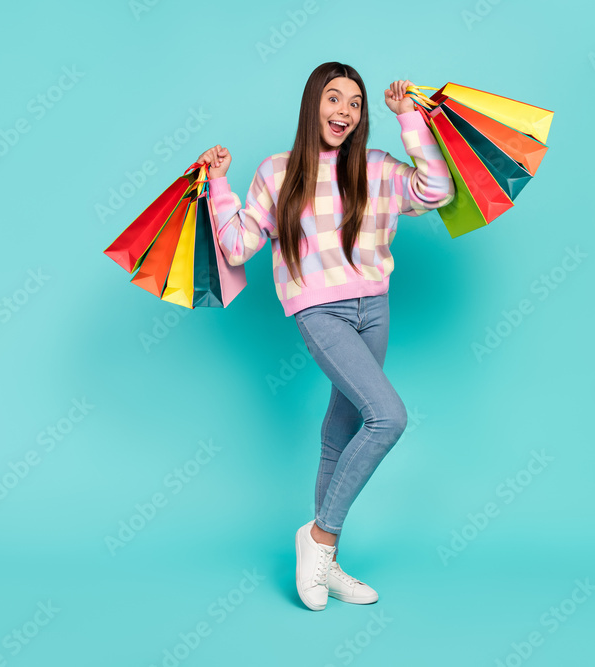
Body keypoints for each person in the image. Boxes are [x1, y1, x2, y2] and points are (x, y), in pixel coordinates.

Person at [196, 61, 454, 611]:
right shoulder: (277, 171)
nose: (343, 111)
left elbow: (436, 190)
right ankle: (319, 539)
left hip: (375, 308)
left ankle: (327, 566)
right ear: (313, 102)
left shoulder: (378, 168)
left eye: (354, 103)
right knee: (388, 417)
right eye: (333, 98)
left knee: (341, 428)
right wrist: (218, 184)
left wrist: (409, 118)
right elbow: (238, 246)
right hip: (319, 310)